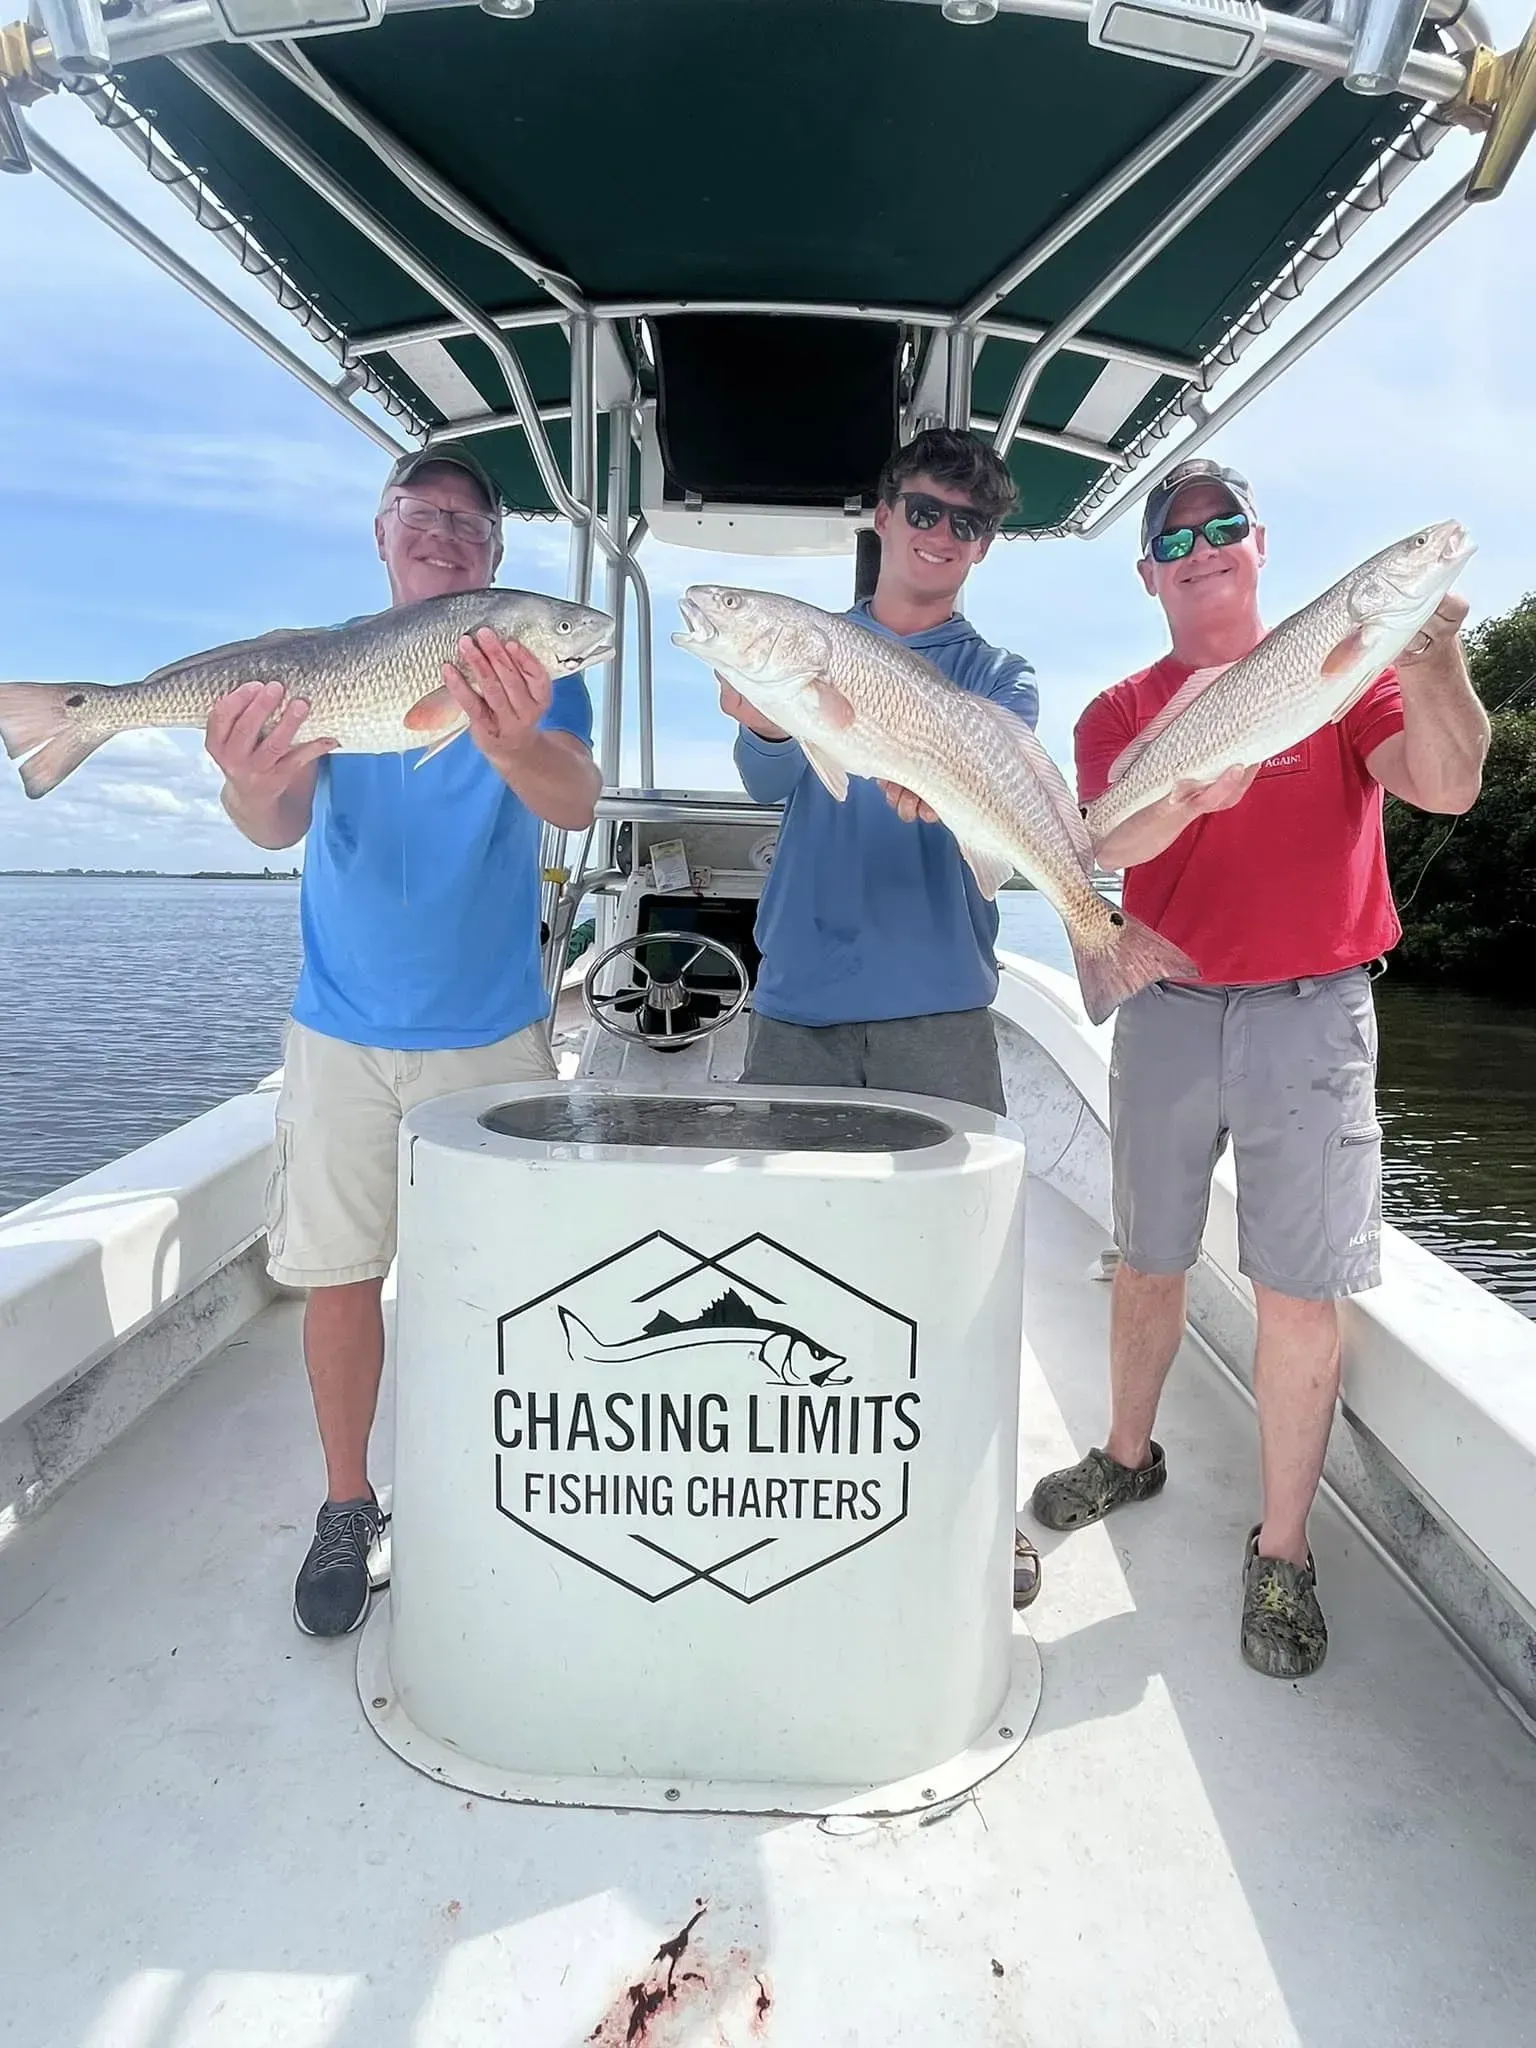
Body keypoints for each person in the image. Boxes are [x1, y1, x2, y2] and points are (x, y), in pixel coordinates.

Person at [1028, 457, 1489, 1678]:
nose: (1204, 547)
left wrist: (1434, 654)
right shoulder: (1119, 709)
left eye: (1223, 526)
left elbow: (1447, 787)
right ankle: (1128, 1453)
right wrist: (1192, 791)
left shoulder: (1346, 671)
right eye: (1178, 538)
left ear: (1262, 544)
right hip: (1169, 1003)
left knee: (1297, 1288)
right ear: (1150, 573)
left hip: (1311, 1010)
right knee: (1148, 1256)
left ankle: (1282, 1548)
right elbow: (1106, 844)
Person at [205, 443, 601, 1639]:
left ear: (494, 561)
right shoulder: (312, 665)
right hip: (337, 1028)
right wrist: (242, 777)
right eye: (420, 514)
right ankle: (345, 1502)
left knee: (498, 1282)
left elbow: (574, 798)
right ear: (380, 533)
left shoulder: (534, 671)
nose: (443, 532)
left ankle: (486, 1492)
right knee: (338, 1277)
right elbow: (273, 824)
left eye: (469, 525)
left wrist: (508, 730)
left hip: (490, 1028)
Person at [717, 424, 1044, 1603]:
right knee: (784, 1254)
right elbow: (771, 779)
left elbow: (1000, 812)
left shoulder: (1000, 675)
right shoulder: (808, 649)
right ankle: (797, 1475)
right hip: (802, 991)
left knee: (963, 1265)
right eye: (925, 509)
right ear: (882, 513)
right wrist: (763, 713)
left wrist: (950, 798)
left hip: (939, 1001)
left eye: (968, 522)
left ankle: (981, 1494)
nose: (941, 535)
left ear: (984, 545)